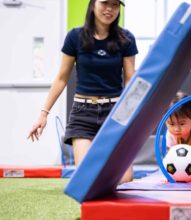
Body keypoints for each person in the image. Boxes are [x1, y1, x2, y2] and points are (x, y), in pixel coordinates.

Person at [27, 0, 138, 183]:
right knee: (86, 177)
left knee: (125, 178)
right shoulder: (75, 37)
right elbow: (62, 78)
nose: (110, 9)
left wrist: (133, 112)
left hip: (114, 113)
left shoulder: (125, 39)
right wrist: (43, 114)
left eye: (115, 5)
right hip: (83, 113)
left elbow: (130, 79)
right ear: (93, 4)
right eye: (104, 3)